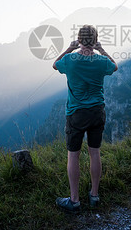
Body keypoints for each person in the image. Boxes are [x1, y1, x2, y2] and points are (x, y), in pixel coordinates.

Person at [52, 24, 118, 212]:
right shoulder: (101, 61)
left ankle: (74, 200)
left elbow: (55, 65)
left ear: (79, 39)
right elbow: (114, 66)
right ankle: (94, 196)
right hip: (97, 111)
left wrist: (70, 47)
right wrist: (101, 49)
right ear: (95, 40)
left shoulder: (70, 60)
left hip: (76, 113)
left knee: (73, 155)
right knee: (94, 152)